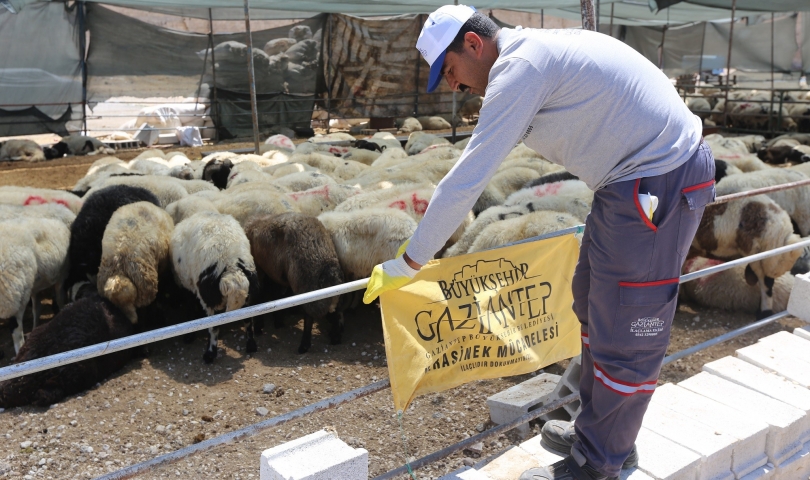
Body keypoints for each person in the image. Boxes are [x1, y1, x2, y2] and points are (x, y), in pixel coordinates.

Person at [363, 5, 715, 480]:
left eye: (450, 70)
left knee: (627, 325)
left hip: (656, 178)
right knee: (593, 301)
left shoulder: (518, 69)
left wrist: (409, 261)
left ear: (473, 44)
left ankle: (599, 463)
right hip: (630, 180)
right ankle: (605, 435)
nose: (454, 86)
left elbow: (467, 178)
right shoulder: (529, 53)